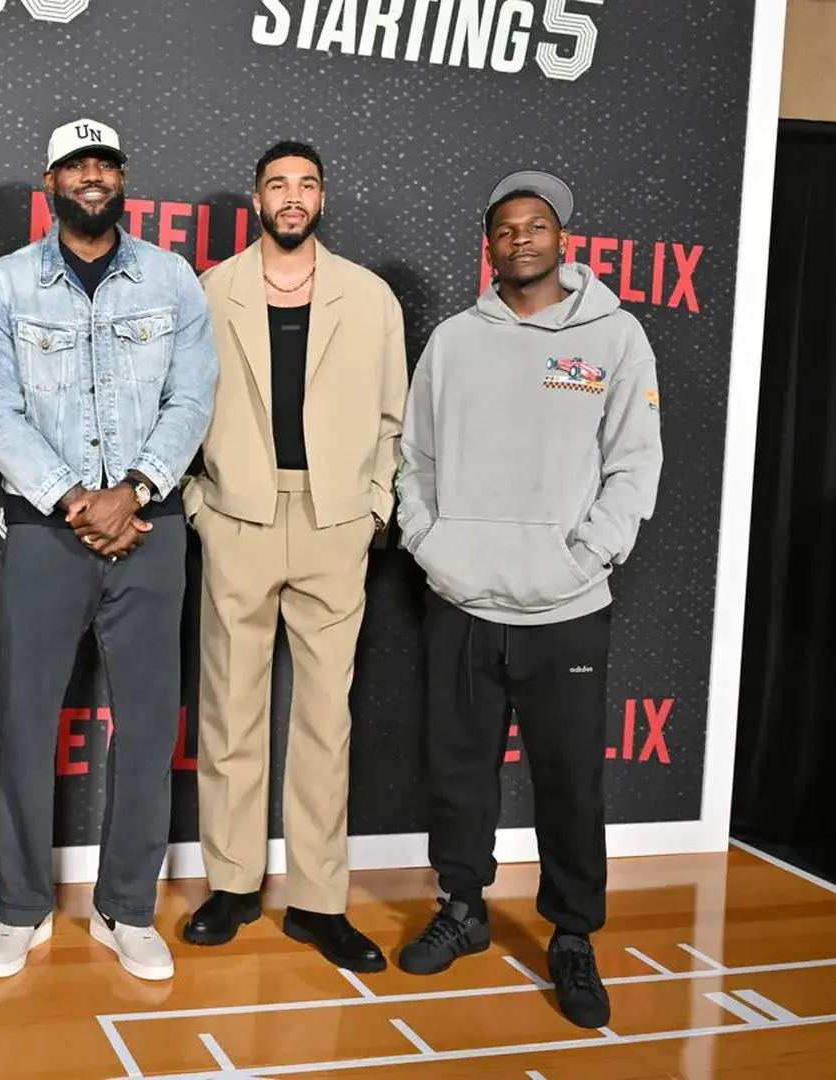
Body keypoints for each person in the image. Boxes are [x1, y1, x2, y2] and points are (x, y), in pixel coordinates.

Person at [393, 169, 662, 1030]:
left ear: (562, 238)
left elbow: (634, 465)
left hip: (566, 606)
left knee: (570, 782)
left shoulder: (616, 339)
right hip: (463, 599)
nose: (520, 239)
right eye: (505, 228)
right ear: (490, 243)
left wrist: (585, 555)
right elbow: (416, 461)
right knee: (459, 772)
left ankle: (574, 936)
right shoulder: (453, 341)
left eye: (536, 226)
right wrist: (431, 545)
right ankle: (464, 908)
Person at [0, 118, 217, 983]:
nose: (93, 176)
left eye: (106, 162)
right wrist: (76, 499)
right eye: (77, 163)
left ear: (122, 179)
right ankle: (21, 910)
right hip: (47, 530)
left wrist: (135, 489)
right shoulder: (3, 285)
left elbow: (193, 399)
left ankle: (128, 909)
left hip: (153, 528)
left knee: (148, 730)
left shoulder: (173, 278)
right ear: (50, 179)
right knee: (28, 726)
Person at [179, 141, 407, 971]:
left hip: (334, 518)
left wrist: (373, 505)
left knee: (324, 719)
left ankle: (318, 901)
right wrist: (200, 504)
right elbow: (178, 407)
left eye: (306, 183)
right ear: (256, 197)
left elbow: (394, 416)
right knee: (230, 710)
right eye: (278, 183)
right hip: (236, 511)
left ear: (322, 197)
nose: (292, 196)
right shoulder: (209, 291)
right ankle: (234, 885)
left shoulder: (371, 298)